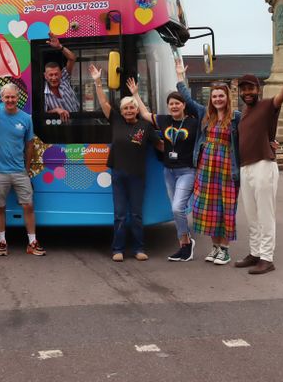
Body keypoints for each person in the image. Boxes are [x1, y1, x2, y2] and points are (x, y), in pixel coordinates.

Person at [234, 58, 283, 275]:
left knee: (265, 214)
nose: (247, 92)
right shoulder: (243, 113)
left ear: (258, 89)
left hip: (264, 164)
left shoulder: (267, 105)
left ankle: (267, 258)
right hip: (246, 167)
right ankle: (255, 253)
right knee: (251, 214)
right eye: (243, 89)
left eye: (251, 88)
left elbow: (282, 96)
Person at [89, 66, 162, 261]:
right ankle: (117, 249)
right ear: (121, 112)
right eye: (125, 108)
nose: (129, 111)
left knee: (136, 215)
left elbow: (160, 145)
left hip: (138, 176)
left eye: (132, 107)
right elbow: (103, 102)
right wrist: (98, 81)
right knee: (120, 214)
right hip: (119, 175)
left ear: (137, 110)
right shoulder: (116, 121)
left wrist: (180, 149)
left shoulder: (145, 126)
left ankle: (139, 249)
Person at [126, 77, 200, 262]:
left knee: (177, 208)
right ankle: (184, 245)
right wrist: (135, 94)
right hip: (169, 171)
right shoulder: (165, 120)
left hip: (187, 171)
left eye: (177, 103)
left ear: (184, 106)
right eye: (171, 104)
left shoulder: (193, 122)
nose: (174, 107)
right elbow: (144, 114)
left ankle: (186, 242)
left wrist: (181, 76)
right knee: (177, 209)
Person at [176, 60, 241, 266]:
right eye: (215, 96)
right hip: (206, 168)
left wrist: (270, 142)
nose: (218, 99)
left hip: (226, 168)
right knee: (209, 208)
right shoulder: (206, 114)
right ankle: (215, 247)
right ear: (211, 99)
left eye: (221, 95)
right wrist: (180, 78)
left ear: (227, 97)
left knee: (225, 208)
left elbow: (251, 133)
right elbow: (187, 99)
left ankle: (225, 249)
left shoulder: (236, 117)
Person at [0, 83, 45, 256]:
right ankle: (2, 242)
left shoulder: (26, 118)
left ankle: (32, 243)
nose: (10, 100)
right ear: (2, 98)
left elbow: (29, 146)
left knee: (28, 206)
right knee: (0, 207)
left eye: (13, 97)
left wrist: (26, 169)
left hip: (19, 172)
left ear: (18, 98)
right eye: (7, 97)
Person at [42, 34, 78, 122]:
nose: (54, 78)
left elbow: (72, 58)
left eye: (56, 74)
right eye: (50, 75)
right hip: (59, 128)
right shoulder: (42, 93)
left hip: (78, 121)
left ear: (61, 74)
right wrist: (56, 110)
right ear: (45, 76)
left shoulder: (64, 79)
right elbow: (42, 113)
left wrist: (60, 47)